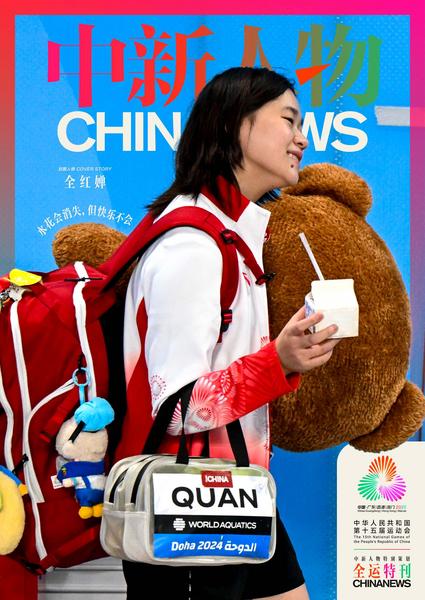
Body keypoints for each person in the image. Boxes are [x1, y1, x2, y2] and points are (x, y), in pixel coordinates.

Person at [118, 66, 339, 600]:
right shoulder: (192, 246)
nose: (302, 138)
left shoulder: (230, 236)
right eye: (288, 120)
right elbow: (175, 409)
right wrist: (277, 361)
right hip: (187, 505)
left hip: (235, 491)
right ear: (235, 125)